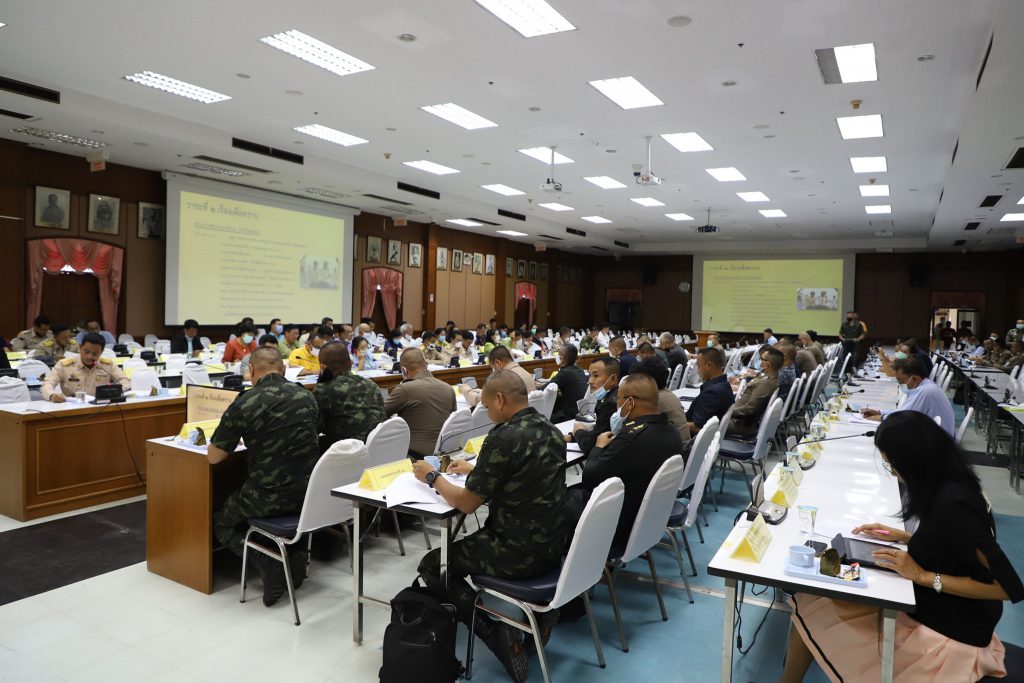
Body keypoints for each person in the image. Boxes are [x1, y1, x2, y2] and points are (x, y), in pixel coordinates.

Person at [776, 411, 1023, 683]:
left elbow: (1005, 587)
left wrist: (924, 576)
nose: (892, 471)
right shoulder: (942, 486)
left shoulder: (954, 504)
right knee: (813, 600)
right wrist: (902, 537)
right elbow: (948, 544)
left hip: (953, 628)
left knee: (815, 607)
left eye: (892, 464)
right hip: (936, 607)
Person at [411, 371, 568, 682]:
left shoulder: (503, 436)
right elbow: (524, 474)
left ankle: (493, 630)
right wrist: (477, 467)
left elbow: (467, 504)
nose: (486, 412)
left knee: (434, 565)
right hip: (553, 545)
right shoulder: (549, 429)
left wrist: (431, 476)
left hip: (515, 550)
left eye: (486, 406)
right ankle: (544, 613)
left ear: (500, 400)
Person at [207, 347, 319, 606]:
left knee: (222, 520)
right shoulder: (306, 396)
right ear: (282, 369)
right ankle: (295, 553)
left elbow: (215, 457)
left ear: (252, 371)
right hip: (307, 495)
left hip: (266, 496)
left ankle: (267, 560)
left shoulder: (246, 401)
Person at [566, 373, 682, 551]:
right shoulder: (672, 432)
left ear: (629, 403)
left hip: (617, 526)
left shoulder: (632, 438)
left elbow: (590, 477)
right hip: (647, 520)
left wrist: (598, 446)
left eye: (619, 399)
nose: (617, 406)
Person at [384, 348, 457, 458]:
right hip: (444, 453)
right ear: (426, 365)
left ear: (403, 370)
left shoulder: (405, 389)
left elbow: (379, 414)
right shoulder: (448, 388)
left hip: (414, 457)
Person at [313, 341, 385, 452]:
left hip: (347, 453)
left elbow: (317, 427)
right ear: (351, 363)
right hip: (377, 449)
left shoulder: (323, 390)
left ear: (323, 366)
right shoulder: (371, 385)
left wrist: (321, 380)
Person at [861, 357, 956, 437]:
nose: (900, 384)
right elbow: (903, 411)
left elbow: (901, 419)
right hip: (938, 439)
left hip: (939, 446)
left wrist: (878, 418)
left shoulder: (924, 392)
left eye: (901, 381)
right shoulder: (926, 385)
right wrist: (879, 412)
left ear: (914, 378)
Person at [40, 333, 129, 402]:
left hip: (99, 406)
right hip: (71, 407)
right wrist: (52, 395)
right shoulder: (64, 365)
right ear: (80, 347)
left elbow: (125, 382)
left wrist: (114, 392)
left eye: (95, 354)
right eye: (86, 351)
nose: (89, 356)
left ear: (101, 352)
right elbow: (47, 384)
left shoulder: (107, 365)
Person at [566, 357, 620, 455]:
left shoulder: (610, 404)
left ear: (612, 379)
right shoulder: (610, 396)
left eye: (595, 376)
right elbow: (599, 431)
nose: (590, 381)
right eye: (590, 375)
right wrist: (572, 436)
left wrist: (578, 431)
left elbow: (589, 446)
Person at [632, 357, 691, 444]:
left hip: (675, 451)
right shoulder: (668, 394)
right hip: (682, 448)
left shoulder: (655, 401)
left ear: (647, 381)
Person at [728, 346, 782, 438]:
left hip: (739, 424)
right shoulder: (767, 377)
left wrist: (727, 412)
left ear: (767, 364)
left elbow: (750, 409)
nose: (760, 360)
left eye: (762, 359)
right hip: (737, 418)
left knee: (705, 422)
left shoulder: (766, 383)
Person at [460, 346, 536, 408]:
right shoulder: (525, 372)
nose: (492, 370)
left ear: (497, 363)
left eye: (492, 367)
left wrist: (466, 390)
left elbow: (479, 400)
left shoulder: (504, 378)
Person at [686, 346, 735, 436]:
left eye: (698, 366)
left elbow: (699, 427)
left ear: (709, 365)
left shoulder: (712, 393)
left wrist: (677, 425)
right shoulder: (724, 384)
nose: (697, 370)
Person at [549, 345, 589, 423]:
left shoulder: (565, 372)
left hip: (570, 415)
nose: (557, 356)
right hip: (581, 411)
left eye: (558, 354)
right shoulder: (579, 369)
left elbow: (546, 387)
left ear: (562, 358)